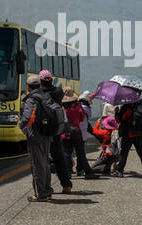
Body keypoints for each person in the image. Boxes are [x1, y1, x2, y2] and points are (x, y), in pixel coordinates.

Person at [20, 73, 61, 201]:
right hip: (47, 134)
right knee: (45, 163)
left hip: (35, 135)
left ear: (28, 87)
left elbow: (28, 117)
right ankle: (47, 190)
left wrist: (21, 127)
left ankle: (40, 194)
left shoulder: (32, 99)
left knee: (37, 165)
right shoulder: (46, 96)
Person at [39, 70, 73, 192]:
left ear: (40, 81)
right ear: (51, 79)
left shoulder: (39, 93)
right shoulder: (58, 91)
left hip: (43, 130)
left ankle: (45, 187)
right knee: (59, 158)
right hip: (57, 129)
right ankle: (66, 184)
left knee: (42, 159)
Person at [113, 95, 142, 176]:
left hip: (128, 133)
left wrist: (116, 113)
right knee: (141, 151)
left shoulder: (126, 108)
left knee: (124, 152)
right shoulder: (140, 107)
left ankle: (120, 170)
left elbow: (120, 120)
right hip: (138, 133)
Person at [61, 87, 93, 178]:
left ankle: (68, 172)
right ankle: (87, 171)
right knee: (80, 153)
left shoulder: (61, 107)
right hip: (76, 133)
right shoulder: (77, 106)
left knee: (67, 153)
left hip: (65, 134)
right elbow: (82, 118)